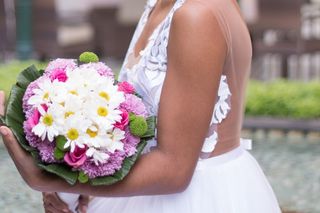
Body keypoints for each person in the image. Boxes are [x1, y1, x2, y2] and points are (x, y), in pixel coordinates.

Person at [0, 0, 281, 212]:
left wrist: (48, 180)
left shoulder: (198, 14)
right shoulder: (160, 5)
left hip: (196, 197)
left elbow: (175, 170)